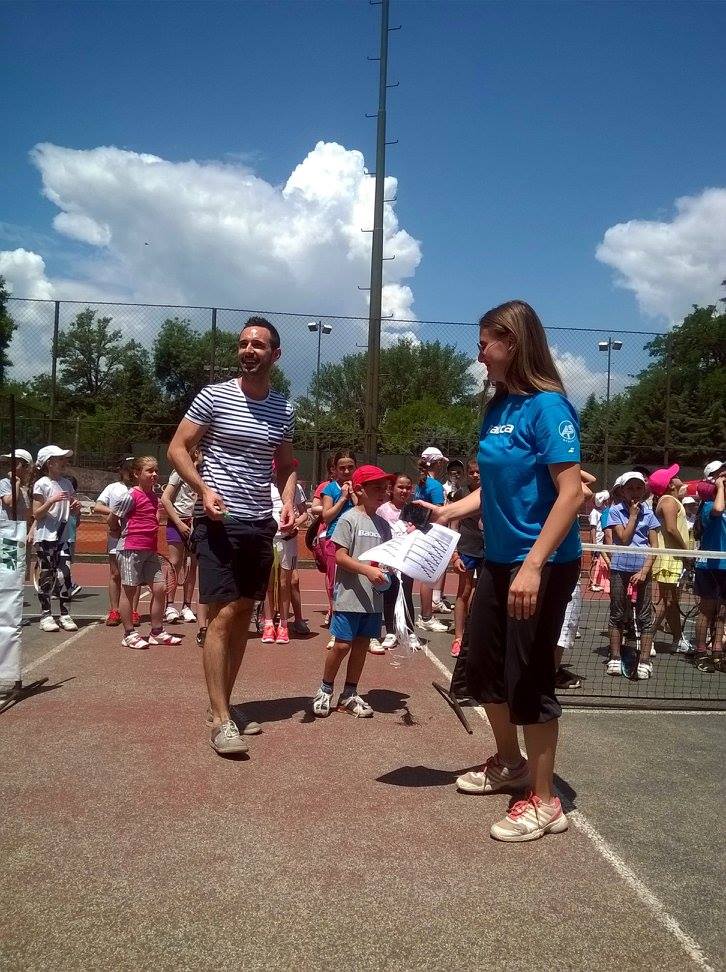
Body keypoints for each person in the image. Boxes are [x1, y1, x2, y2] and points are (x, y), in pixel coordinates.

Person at [426, 300, 583, 843]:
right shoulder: (497, 408)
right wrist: (452, 510)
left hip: (542, 563)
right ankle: (510, 763)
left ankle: (545, 802)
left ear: (512, 343)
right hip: (498, 561)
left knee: (529, 677)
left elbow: (570, 494)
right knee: (483, 667)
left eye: (485, 344)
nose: (479, 354)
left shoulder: (549, 407)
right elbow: (495, 487)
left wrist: (533, 565)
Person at [167, 316, 296, 756]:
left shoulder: (283, 409)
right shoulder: (213, 396)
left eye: (258, 345)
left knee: (243, 612)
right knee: (221, 615)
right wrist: (203, 489)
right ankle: (221, 720)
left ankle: (223, 704)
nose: (248, 350)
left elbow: (287, 464)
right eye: (243, 344)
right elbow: (177, 448)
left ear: (275, 354)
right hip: (219, 522)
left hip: (260, 523)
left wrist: (288, 502)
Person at [312, 465, 394, 719]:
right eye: (376, 487)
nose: (382, 492)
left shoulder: (384, 525)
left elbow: (385, 557)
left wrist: (389, 569)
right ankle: (325, 689)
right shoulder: (348, 519)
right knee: (341, 645)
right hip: (349, 596)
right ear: (359, 489)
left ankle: (349, 693)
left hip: (373, 598)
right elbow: (339, 557)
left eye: (384, 488)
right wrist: (366, 570)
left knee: (361, 646)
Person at [111, 456, 182, 651]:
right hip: (130, 549)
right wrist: (117, 531)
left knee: (160, 588)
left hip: (150, 550)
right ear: (136, 473)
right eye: (150, 471)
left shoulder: (154, 497)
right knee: (129, 590)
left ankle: (156, 631)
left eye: (156, 470)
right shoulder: (130, 496)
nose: (154, 474)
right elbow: (112, 519)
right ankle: (129, 634)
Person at [606, 471, 660, 678]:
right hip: (619, 568)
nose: (635, 492)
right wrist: (633, 516)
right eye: (630, 488)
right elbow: (624, 538)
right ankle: (615, 657)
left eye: (639, 488)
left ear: (644, 491)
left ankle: (644, 660)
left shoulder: (650, 514)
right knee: (617, 614)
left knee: (645, 617)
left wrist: (644, 571)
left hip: (642, 570)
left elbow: (654, 546)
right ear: (622, 491)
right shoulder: (615, 511)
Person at [31, 445, 81, 632]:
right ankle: (46, 615)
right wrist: (51, 500)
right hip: (46, 537)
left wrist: (75, 508)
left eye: (64, 458)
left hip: (63, 537)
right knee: (47, 575)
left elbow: (71, 509)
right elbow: (37, 514)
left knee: (64, 574)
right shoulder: (42, 483)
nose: (64, 461)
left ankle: (65, 614)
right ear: (49, 463)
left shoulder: (67, 483)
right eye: (60, 458)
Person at [373, 472, 422, 653]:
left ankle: (410, 632)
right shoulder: (382, 510)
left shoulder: (414, 509)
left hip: (407, 560)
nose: (404, 491)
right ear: (391, 489)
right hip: (388, 560)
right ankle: (390, 632)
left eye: (408, 488)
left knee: (406, 594)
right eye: (400, 487)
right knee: (389, 595)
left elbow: (421, 532)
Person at [261, 459, 309, 644]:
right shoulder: (264, 486)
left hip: (287, 540)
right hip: (268, 540)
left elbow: (304, 514)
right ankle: (268, 623)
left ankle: (283, 625)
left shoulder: (295, 488)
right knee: (268, 583)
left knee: (284, 583)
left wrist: (295, 523)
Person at [160, 447, 207, 635]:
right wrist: (179, 523)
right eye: (203, 450)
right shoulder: (179, 472)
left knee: (193, 565)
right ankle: (169, 605)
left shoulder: (205, 473)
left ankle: (187, 606)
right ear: (196, 452)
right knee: (175, 564)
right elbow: (165, 499)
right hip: (178, 521)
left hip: (197, 522)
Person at [649, 464, 691, 654]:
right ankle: (647, 637)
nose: (678, 477)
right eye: (674, 476)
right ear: (670, 484)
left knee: (671, 602)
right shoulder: (668, 501)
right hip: (668, 559)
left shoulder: (671, 500)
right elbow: (672, 529)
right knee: (667, 602)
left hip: (673, 558)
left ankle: (677, 639)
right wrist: (687, 552)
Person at [320, 450, 357, 646]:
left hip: (357, 540)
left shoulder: (359, 487)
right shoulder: (330, 489)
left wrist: (354, 493)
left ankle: (359, 628)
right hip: (335, 540)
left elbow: (363, 509)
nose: (346, 471)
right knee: (335, 585)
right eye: (342, 468)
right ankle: (337, 629)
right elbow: (326, 516)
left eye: (350, 467)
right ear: (335, 469)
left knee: (358, 583)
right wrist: (343, 498)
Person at [449, 459, 484, 658]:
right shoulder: (461, 494)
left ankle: (477, 637)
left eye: (479, 471)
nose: (475, 475)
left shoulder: (493, 490)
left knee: (483, 593)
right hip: (467, 548)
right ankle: (459, 638)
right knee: (464, 591)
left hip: (489, 548)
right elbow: (453, 526)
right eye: (472, 472)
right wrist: (455, 555)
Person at [693, 468, 725, 673]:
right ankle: (700, 652)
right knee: (707, 610)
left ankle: (717, 651)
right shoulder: (707, 506)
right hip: (709, 565)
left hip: (725, 565)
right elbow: (718, 509)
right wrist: (720, 485)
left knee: (722, 612)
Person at [414, 448, 449, 632]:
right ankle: (426, 617)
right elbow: (440, 513)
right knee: (428, 576)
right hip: (434, 533)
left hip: (423, 530)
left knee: (427, 575)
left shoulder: (421, 484)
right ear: (438, 463)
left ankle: (426, 615)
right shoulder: (435, 486)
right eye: (441, 462)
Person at [588, 490, 610, 593]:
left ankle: (596, 582)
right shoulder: (594, 513)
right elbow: (593, 529)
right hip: (597, 541)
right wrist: (594, 544)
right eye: (606, 500)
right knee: (595, 561)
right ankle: (592, 583)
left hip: (602, 540)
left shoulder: (603, 511)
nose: (608, 501)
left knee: (598, 562)